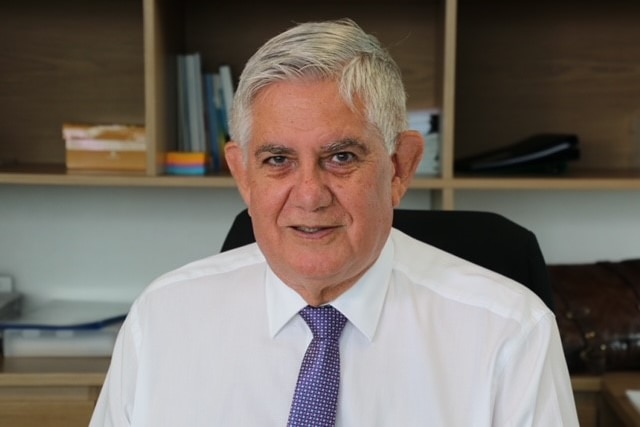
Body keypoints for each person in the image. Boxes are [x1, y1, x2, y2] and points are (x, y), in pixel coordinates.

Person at [90, 18, 579, 426]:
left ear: (401, 167)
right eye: (278, 159)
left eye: (341, 156)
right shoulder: (162, 319)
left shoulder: (511, 333)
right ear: (242, 173)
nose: (309, 194)